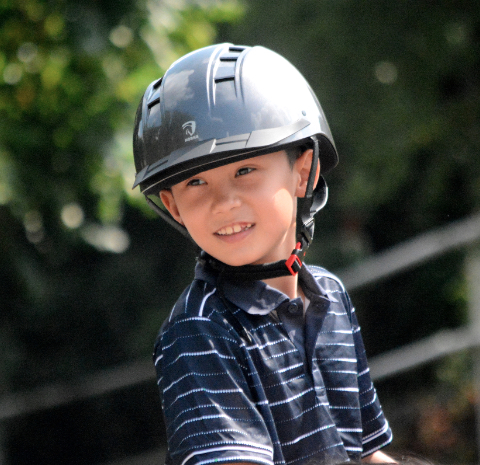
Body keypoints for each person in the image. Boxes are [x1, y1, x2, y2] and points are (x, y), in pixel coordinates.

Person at [132, 43, 395, 464]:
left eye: (245, 170)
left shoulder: (331, 297)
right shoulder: (200, 330)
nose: (223, 202)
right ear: (172, 206)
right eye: (196, 183)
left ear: (303, 170)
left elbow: (365, 455)